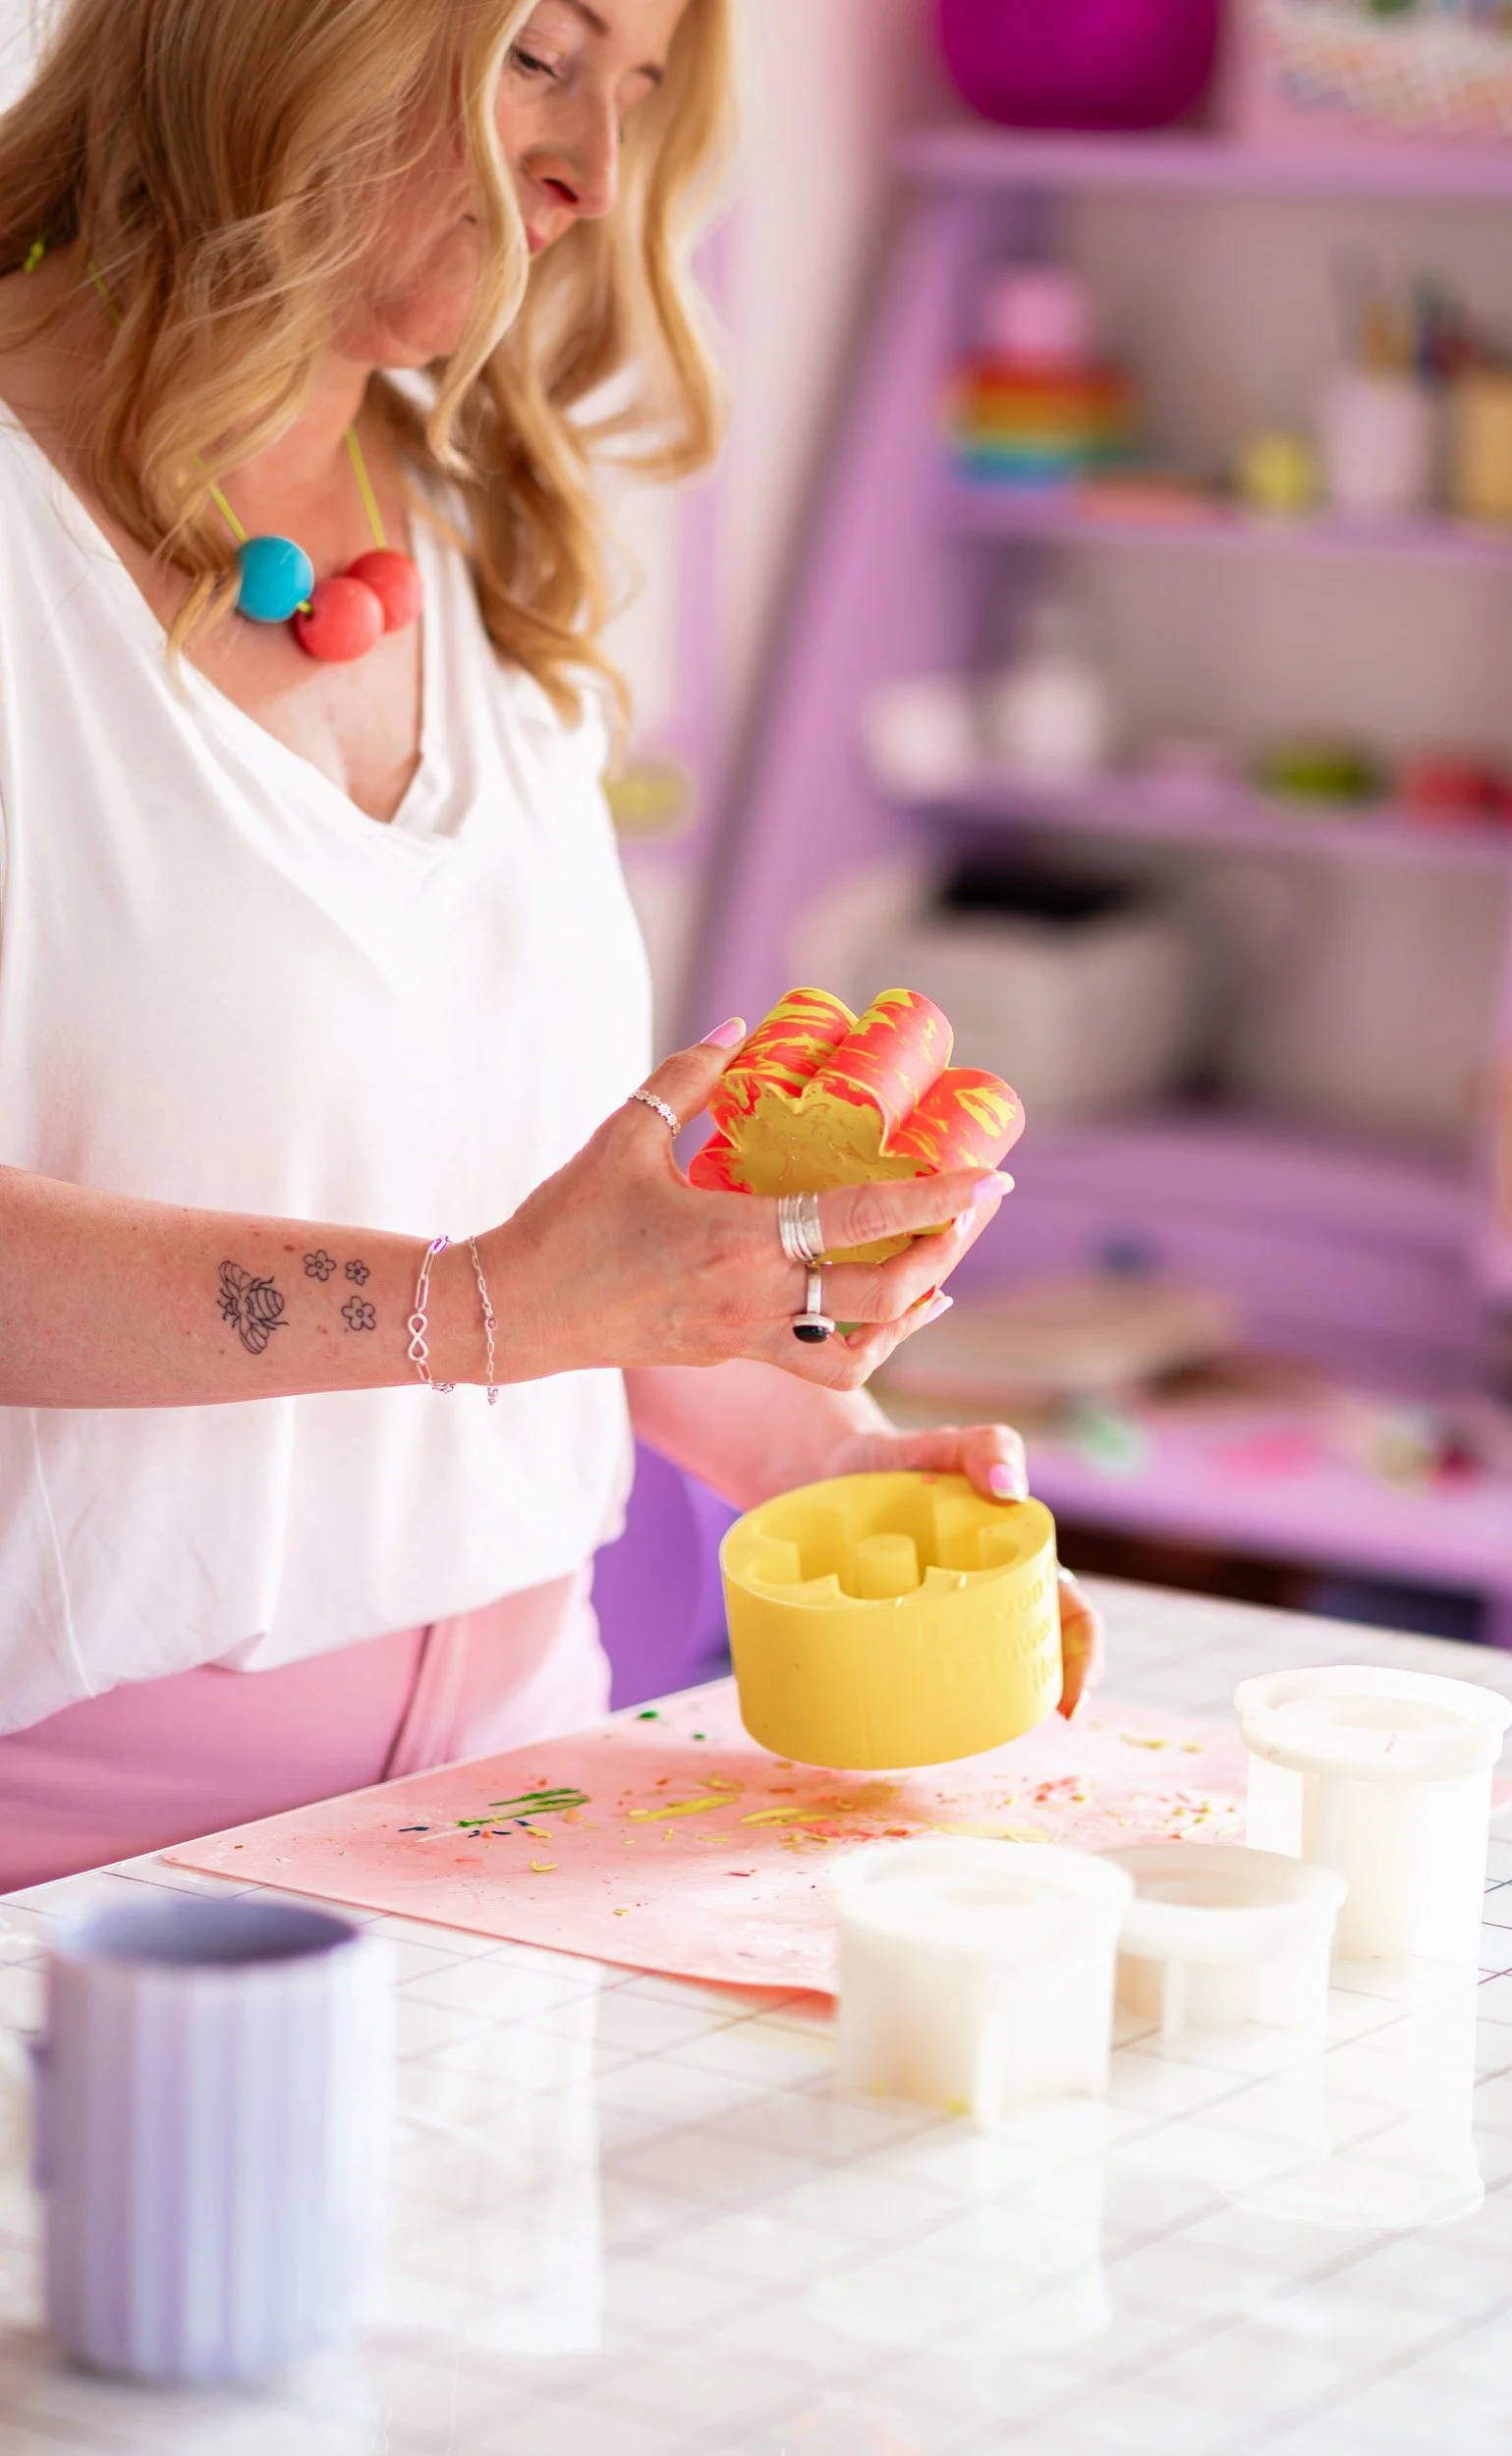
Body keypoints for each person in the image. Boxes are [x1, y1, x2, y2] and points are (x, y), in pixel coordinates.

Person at [0, 0, 1099, 1890]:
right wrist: (493, 1302)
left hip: (531, 1785)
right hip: (73, 1864)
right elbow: (492, 1287)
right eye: (541, 57)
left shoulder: (473, 534)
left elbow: (535, 1232)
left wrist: (808, 1447)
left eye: (642, 92)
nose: (593, 175)